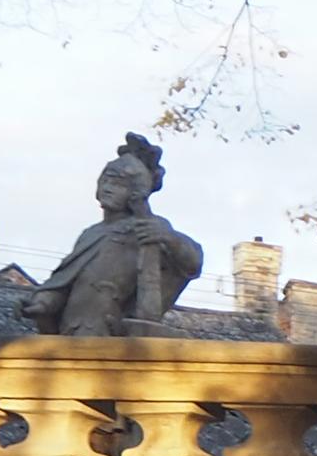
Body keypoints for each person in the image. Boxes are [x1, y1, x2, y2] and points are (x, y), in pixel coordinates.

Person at [21, 134, 206, 336]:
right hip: (71, 332)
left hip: (109, 332)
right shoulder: (90, 233)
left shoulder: (151, 227)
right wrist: (41, 304)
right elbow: (65, 281)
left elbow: (193, 263)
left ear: (137, 191)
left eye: (119, 184)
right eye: (106, 181)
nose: (108, 188)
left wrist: (168, 237)